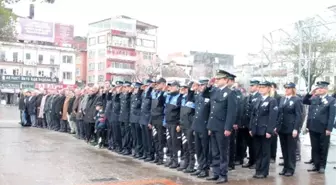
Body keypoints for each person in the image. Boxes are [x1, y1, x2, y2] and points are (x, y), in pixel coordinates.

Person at [205, 70, 237, 184]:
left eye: (219, 79)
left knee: (223, 152)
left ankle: (223, 175)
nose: (217, 81)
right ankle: (216, 173)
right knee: (214, 152)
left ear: (226, 80)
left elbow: (231, 112)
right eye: (216, 79)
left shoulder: (230, 93)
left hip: (222, 127)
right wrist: (209, 85)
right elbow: (205, 96)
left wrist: (228, 128)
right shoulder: (214, 91)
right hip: (213, 125)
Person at [303, 81, 336, 174]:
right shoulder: (315, 98)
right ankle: (316, 165)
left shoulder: (331, 100)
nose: (319, 89)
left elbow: (332, 115)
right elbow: (304, 101)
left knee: (323, 147)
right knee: (315, 147)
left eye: (321, 88)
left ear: (326, 89)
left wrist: (329, 128)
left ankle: (322, 166)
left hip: (324, 128)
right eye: (318, 88)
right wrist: (310, 92)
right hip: (313, 126)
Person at [250, 81, 278, 179]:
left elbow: (272, 117)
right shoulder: (258, 100)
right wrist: (251, 128)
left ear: (269, 88)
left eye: (264, 87)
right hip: (257, 130)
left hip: (265, 130)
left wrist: (269, 131)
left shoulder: (272, 100)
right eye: (260, 87)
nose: (261, 89)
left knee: (265, 152)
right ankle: (258, 169)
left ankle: (264, 171)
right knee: (257, 151)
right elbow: (253, 115)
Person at [275, 82, 303, 177]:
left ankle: (290, 168)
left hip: (291, 128)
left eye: (288, 88)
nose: (286, 90)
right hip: (282, 128)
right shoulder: (282, 99)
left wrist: (296, 128)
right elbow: (279, 114)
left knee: (291, 150)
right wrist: (276, 126)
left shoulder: (297, 100)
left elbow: (298, 115)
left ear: (293, 89)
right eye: (285, 88)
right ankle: (285, 167)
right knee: (284, 149)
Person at [191, 79, 211, 178]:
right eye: (199, 85)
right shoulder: (198, 95)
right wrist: (192, 88)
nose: (200, 87)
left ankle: (205, 168)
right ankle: (200, 166)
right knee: (198, 149)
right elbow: (190, 99)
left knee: (205, 149)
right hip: (197, 126)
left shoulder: (209, 96)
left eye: (202, 85)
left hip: (205, 126)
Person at [238, 80, 260, 169]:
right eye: (250, 86)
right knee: (249, 144)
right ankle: (251, 161)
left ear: (257, 87)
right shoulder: (248, 97)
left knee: (255, 145)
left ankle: (256, 162)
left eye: (253, 86)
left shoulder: (259, 97)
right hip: (247, 124)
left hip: (254, 125)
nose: (251, 87)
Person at [164, 81, 183, 169]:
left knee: (175, 143)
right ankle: (172, 159)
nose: (170, 88)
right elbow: (166, 110)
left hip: (175, 123)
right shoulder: (169, 96)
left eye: (172, 87)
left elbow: (180, 112)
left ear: (177, 87)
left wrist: (179, 124)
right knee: (169, 142)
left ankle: (176, 161)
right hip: (168, 123)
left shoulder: (180, 97)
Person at [178, 82, 196, 173]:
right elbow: (181, 113)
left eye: (185, 88)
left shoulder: (193, 98)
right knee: (184, 145)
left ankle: (192, 165)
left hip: (190, 125)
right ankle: (186, 162)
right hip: (183, 125)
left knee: (190, 146)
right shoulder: (182, 98)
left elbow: (193, 113)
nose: (182, 89)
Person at [150, 78, 167, 164]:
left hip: (160, 118)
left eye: (159, 84)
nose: (157, 85)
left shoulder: (165, 94)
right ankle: (157, 156)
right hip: (154, 118)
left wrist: (163, 91)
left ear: (163, 84)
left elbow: (161, 103)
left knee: (160, 139)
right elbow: (152, 107)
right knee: (155, 138)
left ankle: (161, 157)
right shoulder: (155, 93)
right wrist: (150, 121)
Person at [130, 82, 144, 158]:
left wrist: (138, 93)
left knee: (139, 136)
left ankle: (139, 151)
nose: (135, 89)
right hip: (132, 118)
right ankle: (135, 149)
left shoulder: (140, 96)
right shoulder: (133, 95)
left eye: (136, 88)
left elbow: (138, 105)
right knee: (134, 136)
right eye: (134, 88)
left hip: (137, 118)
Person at [119, 81, 133, 155]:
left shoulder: (129, 95)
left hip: (127, 117)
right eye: (124, 87)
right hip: (122, 117)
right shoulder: (122, 95)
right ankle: (124, 147)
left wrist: (129, 92)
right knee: (123, 133)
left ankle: (128, 148)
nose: (124, 88)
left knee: (127, 134)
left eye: (126, 87)